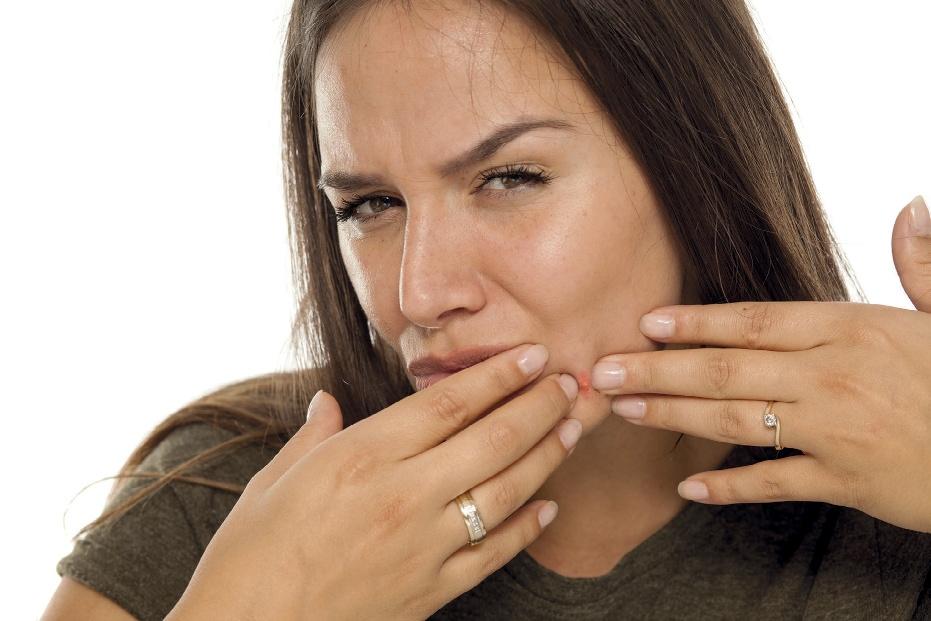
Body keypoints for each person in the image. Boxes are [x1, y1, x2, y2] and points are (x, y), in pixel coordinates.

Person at [43, 1, 931, 619]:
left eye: (508, 178)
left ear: (699, 171)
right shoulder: (227, 507)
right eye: (369, 205)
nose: (420, 294)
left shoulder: (899, 511)